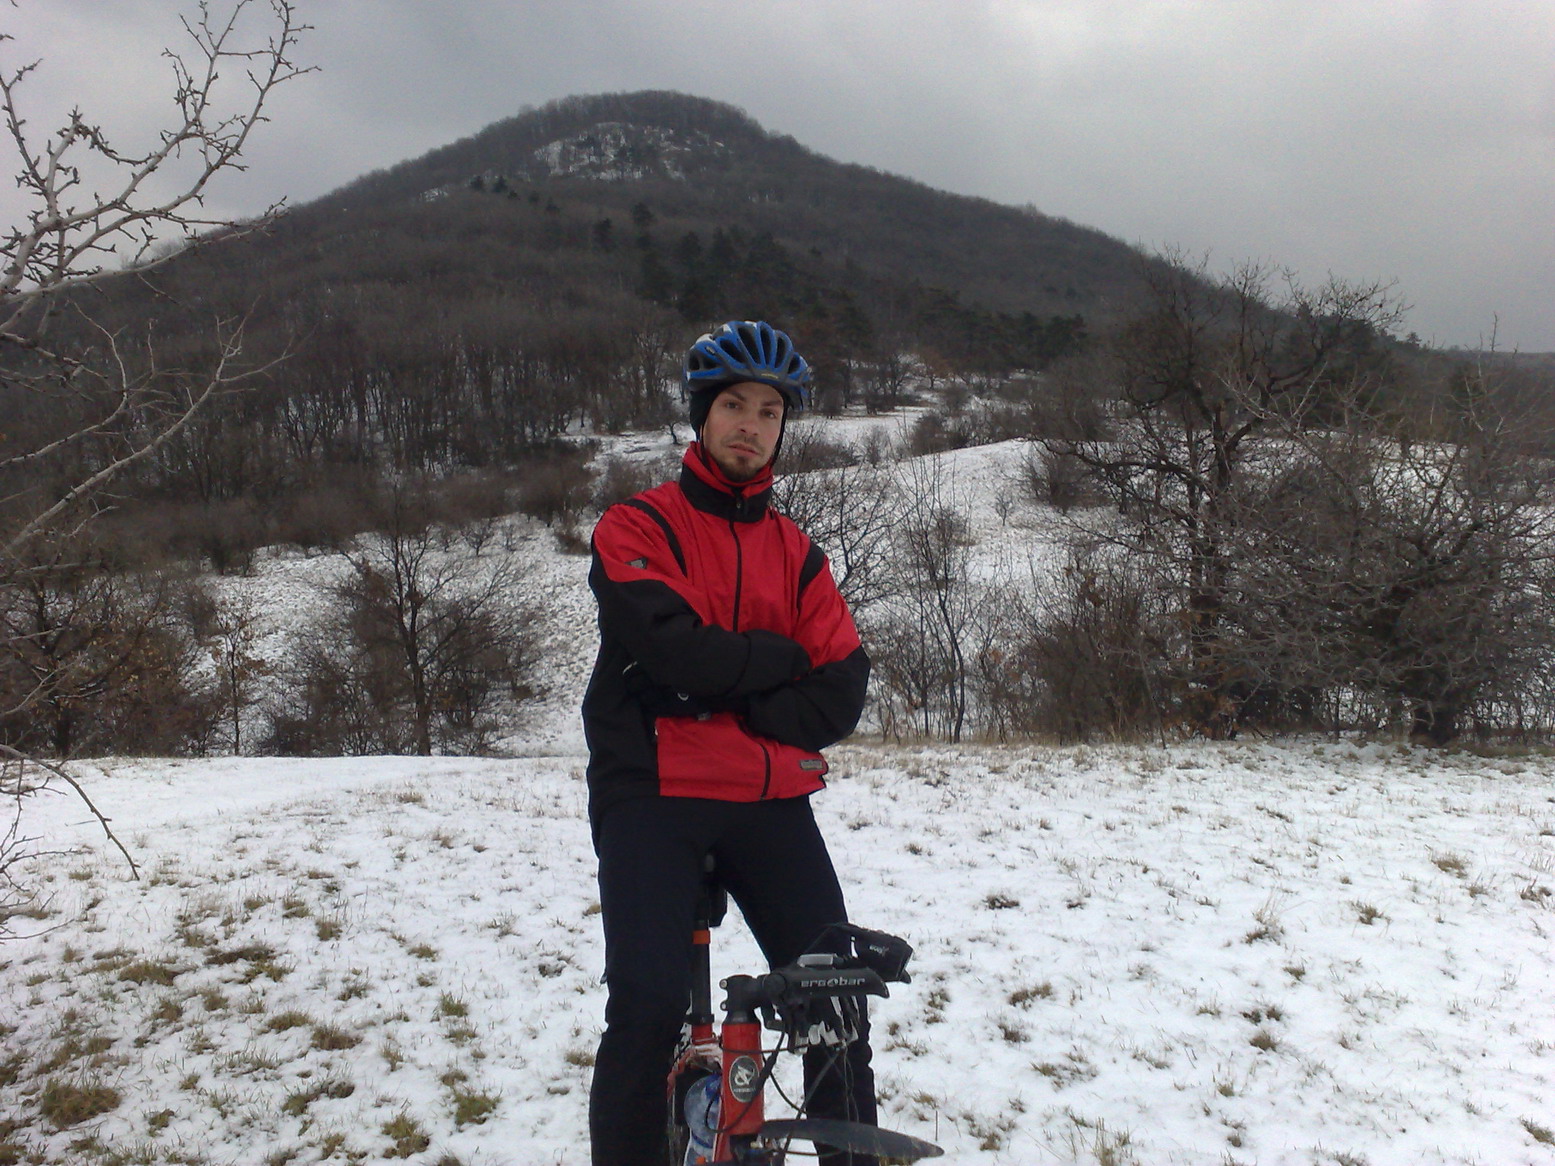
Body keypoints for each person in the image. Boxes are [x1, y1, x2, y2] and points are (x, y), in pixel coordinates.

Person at [582, 320, 875, 1164]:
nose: (751, 425)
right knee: (644, 1007)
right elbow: (672, 651)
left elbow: (840, 693)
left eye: (768, 412)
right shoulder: (636, 527)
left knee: (834, 1001)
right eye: (734, 406)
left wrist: (722, 692)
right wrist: (778, 664)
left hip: (768, 797)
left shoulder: (798, 556)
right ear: (702, 416)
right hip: (654, 790)